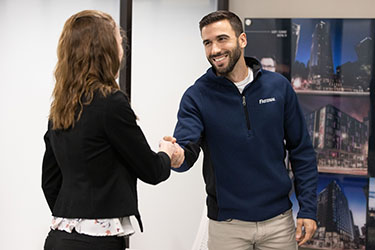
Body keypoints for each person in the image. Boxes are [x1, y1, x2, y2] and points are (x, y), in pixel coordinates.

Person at [169, 10, 318, 250]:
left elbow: (301, 151)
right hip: (227, 226)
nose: (214, 50)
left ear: (242, 40)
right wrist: (177, 156)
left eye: (222, 39)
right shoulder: (197, 96)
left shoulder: (278, 87)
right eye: (207, 43)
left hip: (278, 222)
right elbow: (187, 148)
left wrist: (308, 209)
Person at [42, 10, 184, 250]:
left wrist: (76, 215)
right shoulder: (111, 103)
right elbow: (151, 170)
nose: (122, 50)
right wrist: (166, 151)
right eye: (119, 43)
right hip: (96, 243)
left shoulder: (62, 106)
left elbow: (50, 181)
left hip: (59, 238)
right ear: (105, 51)